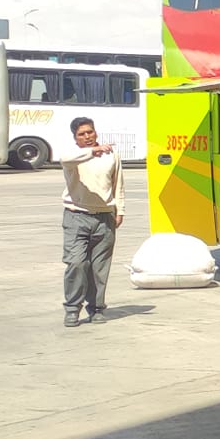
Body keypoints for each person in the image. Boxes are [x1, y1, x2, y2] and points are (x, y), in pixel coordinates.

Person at [59, 116, 124, 327]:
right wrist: (91, 152)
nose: (87, 137)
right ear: (75, 138)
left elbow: (118, 184)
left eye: (90, 132)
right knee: (77, 263)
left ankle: (96, 308)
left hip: (104, 217)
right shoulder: (73, 157)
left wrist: (119, 209)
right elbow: (65, 159)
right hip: (76, 216)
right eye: (82, 134)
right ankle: (72, 308)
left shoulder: (111, 154)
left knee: (99, 267)